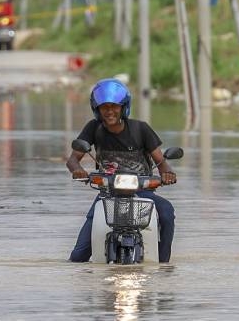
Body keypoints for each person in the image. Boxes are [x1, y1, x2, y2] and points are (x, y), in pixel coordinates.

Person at [66, 78, 177, 262]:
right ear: (97, 109)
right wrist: (78, 170)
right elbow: (72, 159)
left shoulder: (140, 129)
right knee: (78, 257)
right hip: (107, 193)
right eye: (104, 107)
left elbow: (161, 161)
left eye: (114, 106)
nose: (109, 111)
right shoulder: (93, 128)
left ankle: (164, 263)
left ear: (123, 107)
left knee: (166, 212)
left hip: (142, 192)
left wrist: (167, 173)